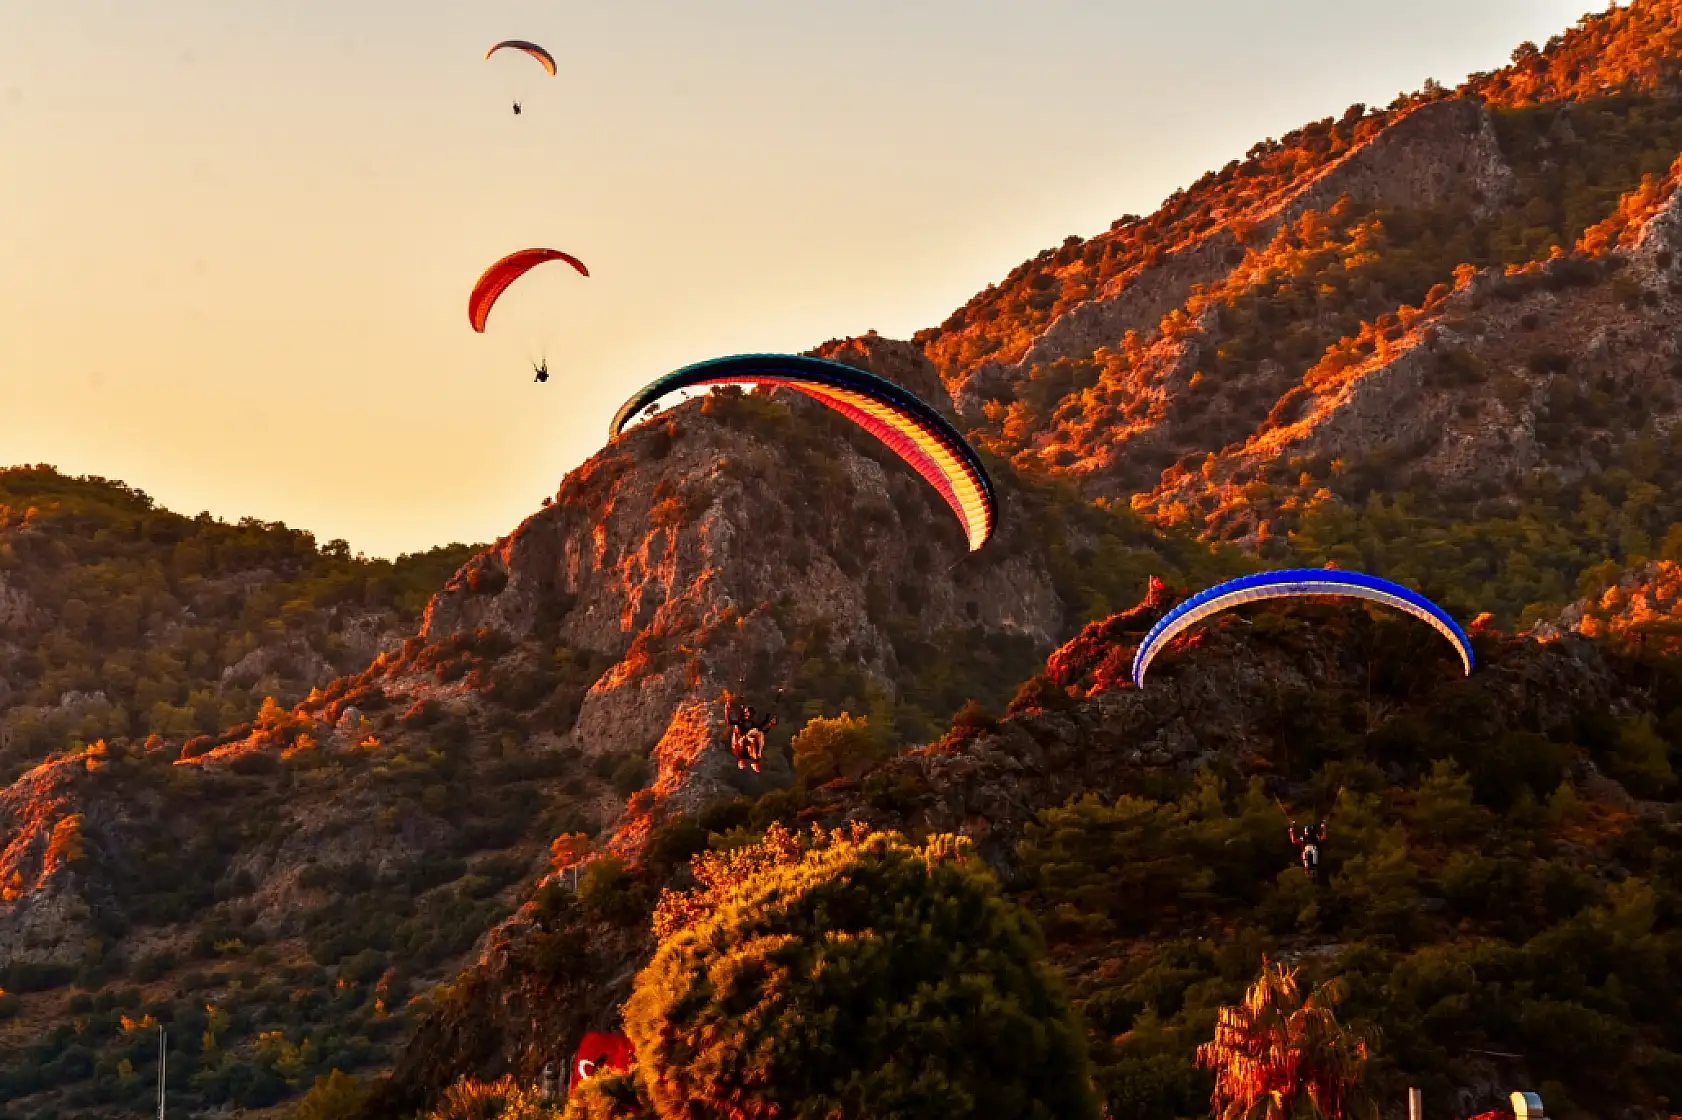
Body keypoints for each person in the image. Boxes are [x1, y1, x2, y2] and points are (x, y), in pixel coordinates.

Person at [724, 693, 778, 772]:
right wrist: (727, 711)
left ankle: (755, 761)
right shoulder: (740, 722)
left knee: (758, 734)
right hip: (739, 747)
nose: (748, 716)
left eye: (750, 714)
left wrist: (770, 725)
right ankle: (743, 760)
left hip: (749, 749)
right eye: (747, 713)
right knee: (752, 737)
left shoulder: (752, 725)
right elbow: (729, 722)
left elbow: (762, 731)